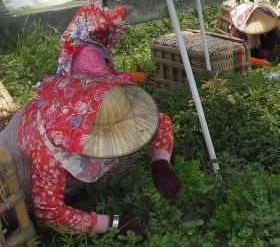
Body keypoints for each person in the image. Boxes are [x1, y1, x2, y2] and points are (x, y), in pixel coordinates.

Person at [0, 80, 180, 236]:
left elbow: (159, 121)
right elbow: (49, 214)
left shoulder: (94, 99)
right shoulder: (49, 150)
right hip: (15, 181)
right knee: (28, 204)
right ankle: (64, 200)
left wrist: (160, 164)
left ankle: (76, 194)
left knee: (126, 154)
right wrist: (114, 223)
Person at [57, 0, 147, 84]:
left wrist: (128, 74)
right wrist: (131, 77)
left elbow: (109, 73)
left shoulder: (97, 46)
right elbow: (104, 82)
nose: (119, 31)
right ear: (102, 30)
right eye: (113, 28)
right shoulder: (87, 52)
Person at [229, 2, 280, 67]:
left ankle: (264, 56)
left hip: (261, 47)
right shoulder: (237, 31)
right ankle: (258, 59)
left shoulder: (267, 24)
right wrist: (256, 62)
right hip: (248, 52)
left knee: (272, 34)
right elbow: (236, 54)